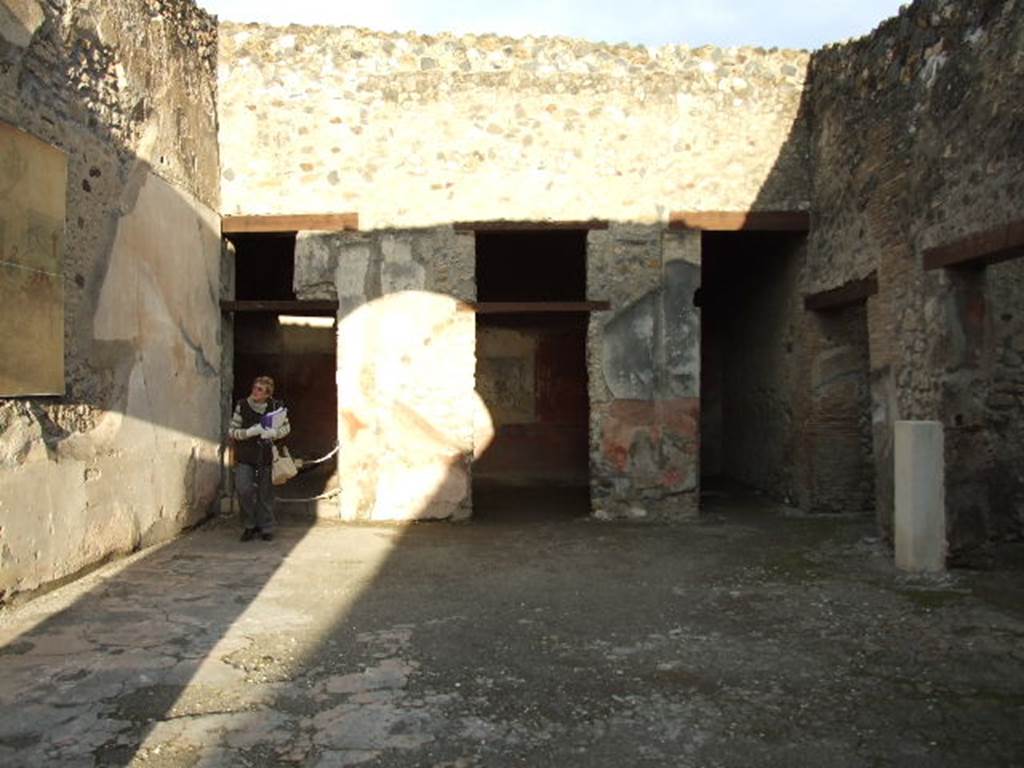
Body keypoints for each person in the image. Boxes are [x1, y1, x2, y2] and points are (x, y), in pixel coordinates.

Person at [229, 375, 290, 542]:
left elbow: (287, 427)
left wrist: (274, 433)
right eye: (255, 387)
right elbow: (232, 431)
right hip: (245, 455)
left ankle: (266, 527)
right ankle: (249, 524)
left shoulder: (276, 406)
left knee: (265, 493)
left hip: (266, 455)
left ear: (268, 394)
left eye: (260, 390)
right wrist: (249, 432)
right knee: (243, 489)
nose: (255, 391)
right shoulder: (242, 405)